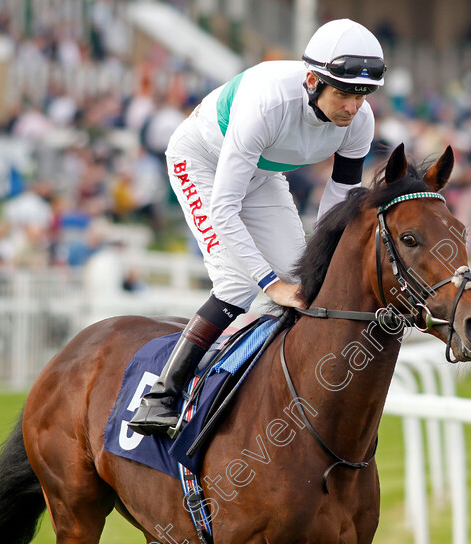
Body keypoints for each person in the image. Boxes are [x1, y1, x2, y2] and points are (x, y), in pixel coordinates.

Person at [129, 19, 386, 435]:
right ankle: (162, 396)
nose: (352, 108)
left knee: (303, 282)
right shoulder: (268, 103)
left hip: (262, 176)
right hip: (201, 163)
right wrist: (269, 284)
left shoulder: (360, 122)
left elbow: (338, 207)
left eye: (362, 95)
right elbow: (224, 208)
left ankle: (265, 392)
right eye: (342, 93)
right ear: (312, 80)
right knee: (238, 283)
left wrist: (314, 271)